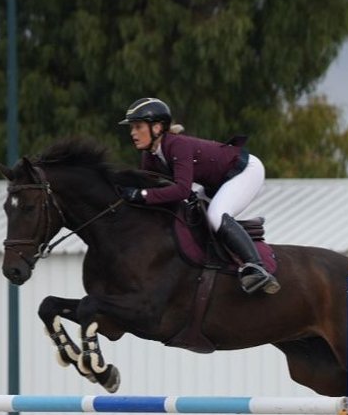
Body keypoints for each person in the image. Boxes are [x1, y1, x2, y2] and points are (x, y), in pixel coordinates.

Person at [117, 97, 280, 295]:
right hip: (216, 183)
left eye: (138, 127)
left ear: (157, 127)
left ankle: (256, 267)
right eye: (132, 128)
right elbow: (152, 189)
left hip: (245, 171)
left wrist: (141, 194)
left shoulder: (177, 145)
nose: (133, 133)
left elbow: (181, 190)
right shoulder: (150, 156)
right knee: (191, 216)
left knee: (216, 215)